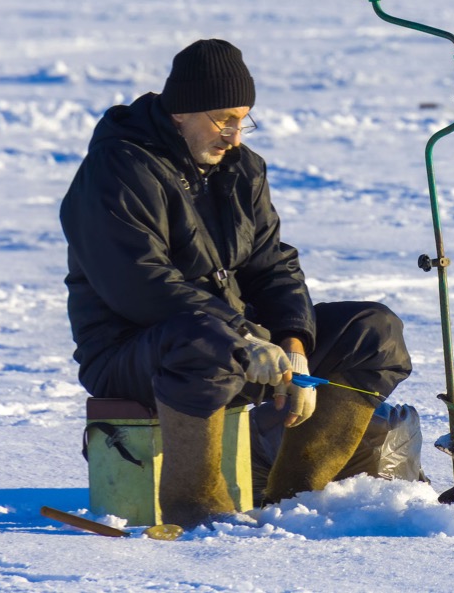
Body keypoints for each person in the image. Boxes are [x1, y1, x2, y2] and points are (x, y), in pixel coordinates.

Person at [60, 38, 413, 528]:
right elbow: (139, 284)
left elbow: (273, 266)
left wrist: (293, 344)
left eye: (243, 119)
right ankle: (199, 509)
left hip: (237, 343)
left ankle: (292, 498)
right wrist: (241, 335)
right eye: (223, 118)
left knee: (373, 330)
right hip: (135, 353)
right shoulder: (118, 170)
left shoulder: (242, 169)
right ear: (181, 112)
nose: (234, 135)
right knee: (204, 340)